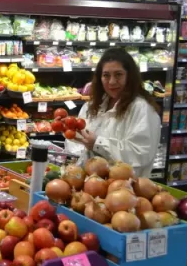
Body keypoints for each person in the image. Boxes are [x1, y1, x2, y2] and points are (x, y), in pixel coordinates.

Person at [65, 48, 161, 177]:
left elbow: (140, 154)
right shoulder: (93, 106)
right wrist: (70, 129)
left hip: (125, 190)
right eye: (106, 75)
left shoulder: (142, 109)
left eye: (118, 74)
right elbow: (83, 142)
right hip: (92, 184)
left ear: (129, 76)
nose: (111, 82)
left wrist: (98, 143)